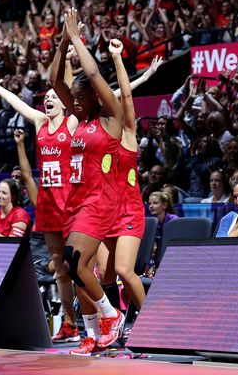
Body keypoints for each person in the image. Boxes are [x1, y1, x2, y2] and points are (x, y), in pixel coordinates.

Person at [0, 67, 78, 343]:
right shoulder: (39, 121)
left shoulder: (71, 123)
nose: (47, 99)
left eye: (53, 96)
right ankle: (70, 324)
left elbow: (101, 97)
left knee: (78, 268)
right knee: (59, 267)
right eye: (45, 96)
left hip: (70, 203)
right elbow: (17, 102)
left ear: (64, 102)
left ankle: (95, 322)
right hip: (47, 205)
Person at [51, 9, 125, 354]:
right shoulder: (80, 118)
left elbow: (93, 72)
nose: (75, 102)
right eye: (74, 99)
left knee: (77, 263)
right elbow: (55, 81)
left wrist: (77, 38)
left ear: (95, 96)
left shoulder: (110, 116)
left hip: (100, 200)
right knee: (71, 268)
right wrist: (63, 39)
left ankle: (112, 315)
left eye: (81, 98)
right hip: (77, 201)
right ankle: (92, 334)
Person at [96, 39, 147, 323]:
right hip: (105, 215)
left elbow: (126, 97)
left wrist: (117, 58)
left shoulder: (128, 134)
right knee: (105, 273)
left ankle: (152, 323)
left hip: (129, 212)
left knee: (125, 271)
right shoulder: (97, 139)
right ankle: (117, 323)